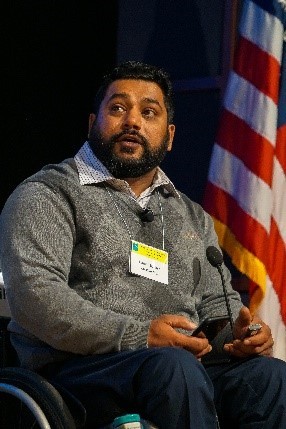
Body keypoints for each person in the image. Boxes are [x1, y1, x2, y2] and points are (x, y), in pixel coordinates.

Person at [0, 60, 285, 429]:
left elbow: (218, 303)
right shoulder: (48, 194)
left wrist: (240, 335)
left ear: (168, 136)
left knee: (271, 378)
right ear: (92, 124)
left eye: (148, 112)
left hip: (178, 371)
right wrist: (140, 336)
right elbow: (36, 298)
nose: (133, 121)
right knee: (174, 370)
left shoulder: (190, 215)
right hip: (78, 371)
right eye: (118, 108)